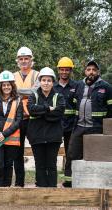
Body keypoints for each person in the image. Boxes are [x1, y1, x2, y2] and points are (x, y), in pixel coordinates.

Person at [64, 60, 112, 187]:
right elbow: (73, 103)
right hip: (79, 127)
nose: (91, 72)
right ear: (85, 71)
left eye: (94, 70)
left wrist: (106, 128)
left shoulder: (106, 87)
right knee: (72, 153)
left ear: (98, 72)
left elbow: (110, 109)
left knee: (96, 157)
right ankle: (69, 181)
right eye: (89, 69)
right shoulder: (79, 85)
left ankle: (95, 184)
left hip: (97, 129)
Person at [27, 67, 65, 187]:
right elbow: (31, 110)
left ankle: (52, 189)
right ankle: (41, 188)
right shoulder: (33, 95)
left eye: (49, 80)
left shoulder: (59, 96)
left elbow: (59, 113)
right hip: (36, 136)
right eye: (44, 80)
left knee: (51, 164)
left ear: (53, 82)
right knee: (40, 164)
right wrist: (48, 108)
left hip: (53, 137)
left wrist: (41, 113)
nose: (46, 83)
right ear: (40, 81)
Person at [13, 46, 39, 187]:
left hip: (33, 119)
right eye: (21, 59)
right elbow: (10, 92)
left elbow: (36, 92)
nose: (24, 61)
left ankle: (39, 181)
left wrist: (17, 91)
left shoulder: (37, 75)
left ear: (31, 60)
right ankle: (19, 183)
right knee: (17, 153)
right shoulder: (13, 75)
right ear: (18, 61)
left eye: (26, 59)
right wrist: (27, 92)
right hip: (17, 119)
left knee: (37, 150)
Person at [53, 57, 78, 187]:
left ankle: (69, 180)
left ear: (70, 71)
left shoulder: (76, 86)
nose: (64, 72)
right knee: (52, 153)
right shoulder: (53, 87)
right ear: (58, 71)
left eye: (67, 70)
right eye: (62, 69)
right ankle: (50, 180)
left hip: (71, 126)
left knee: (71, 153)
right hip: (55, 126)